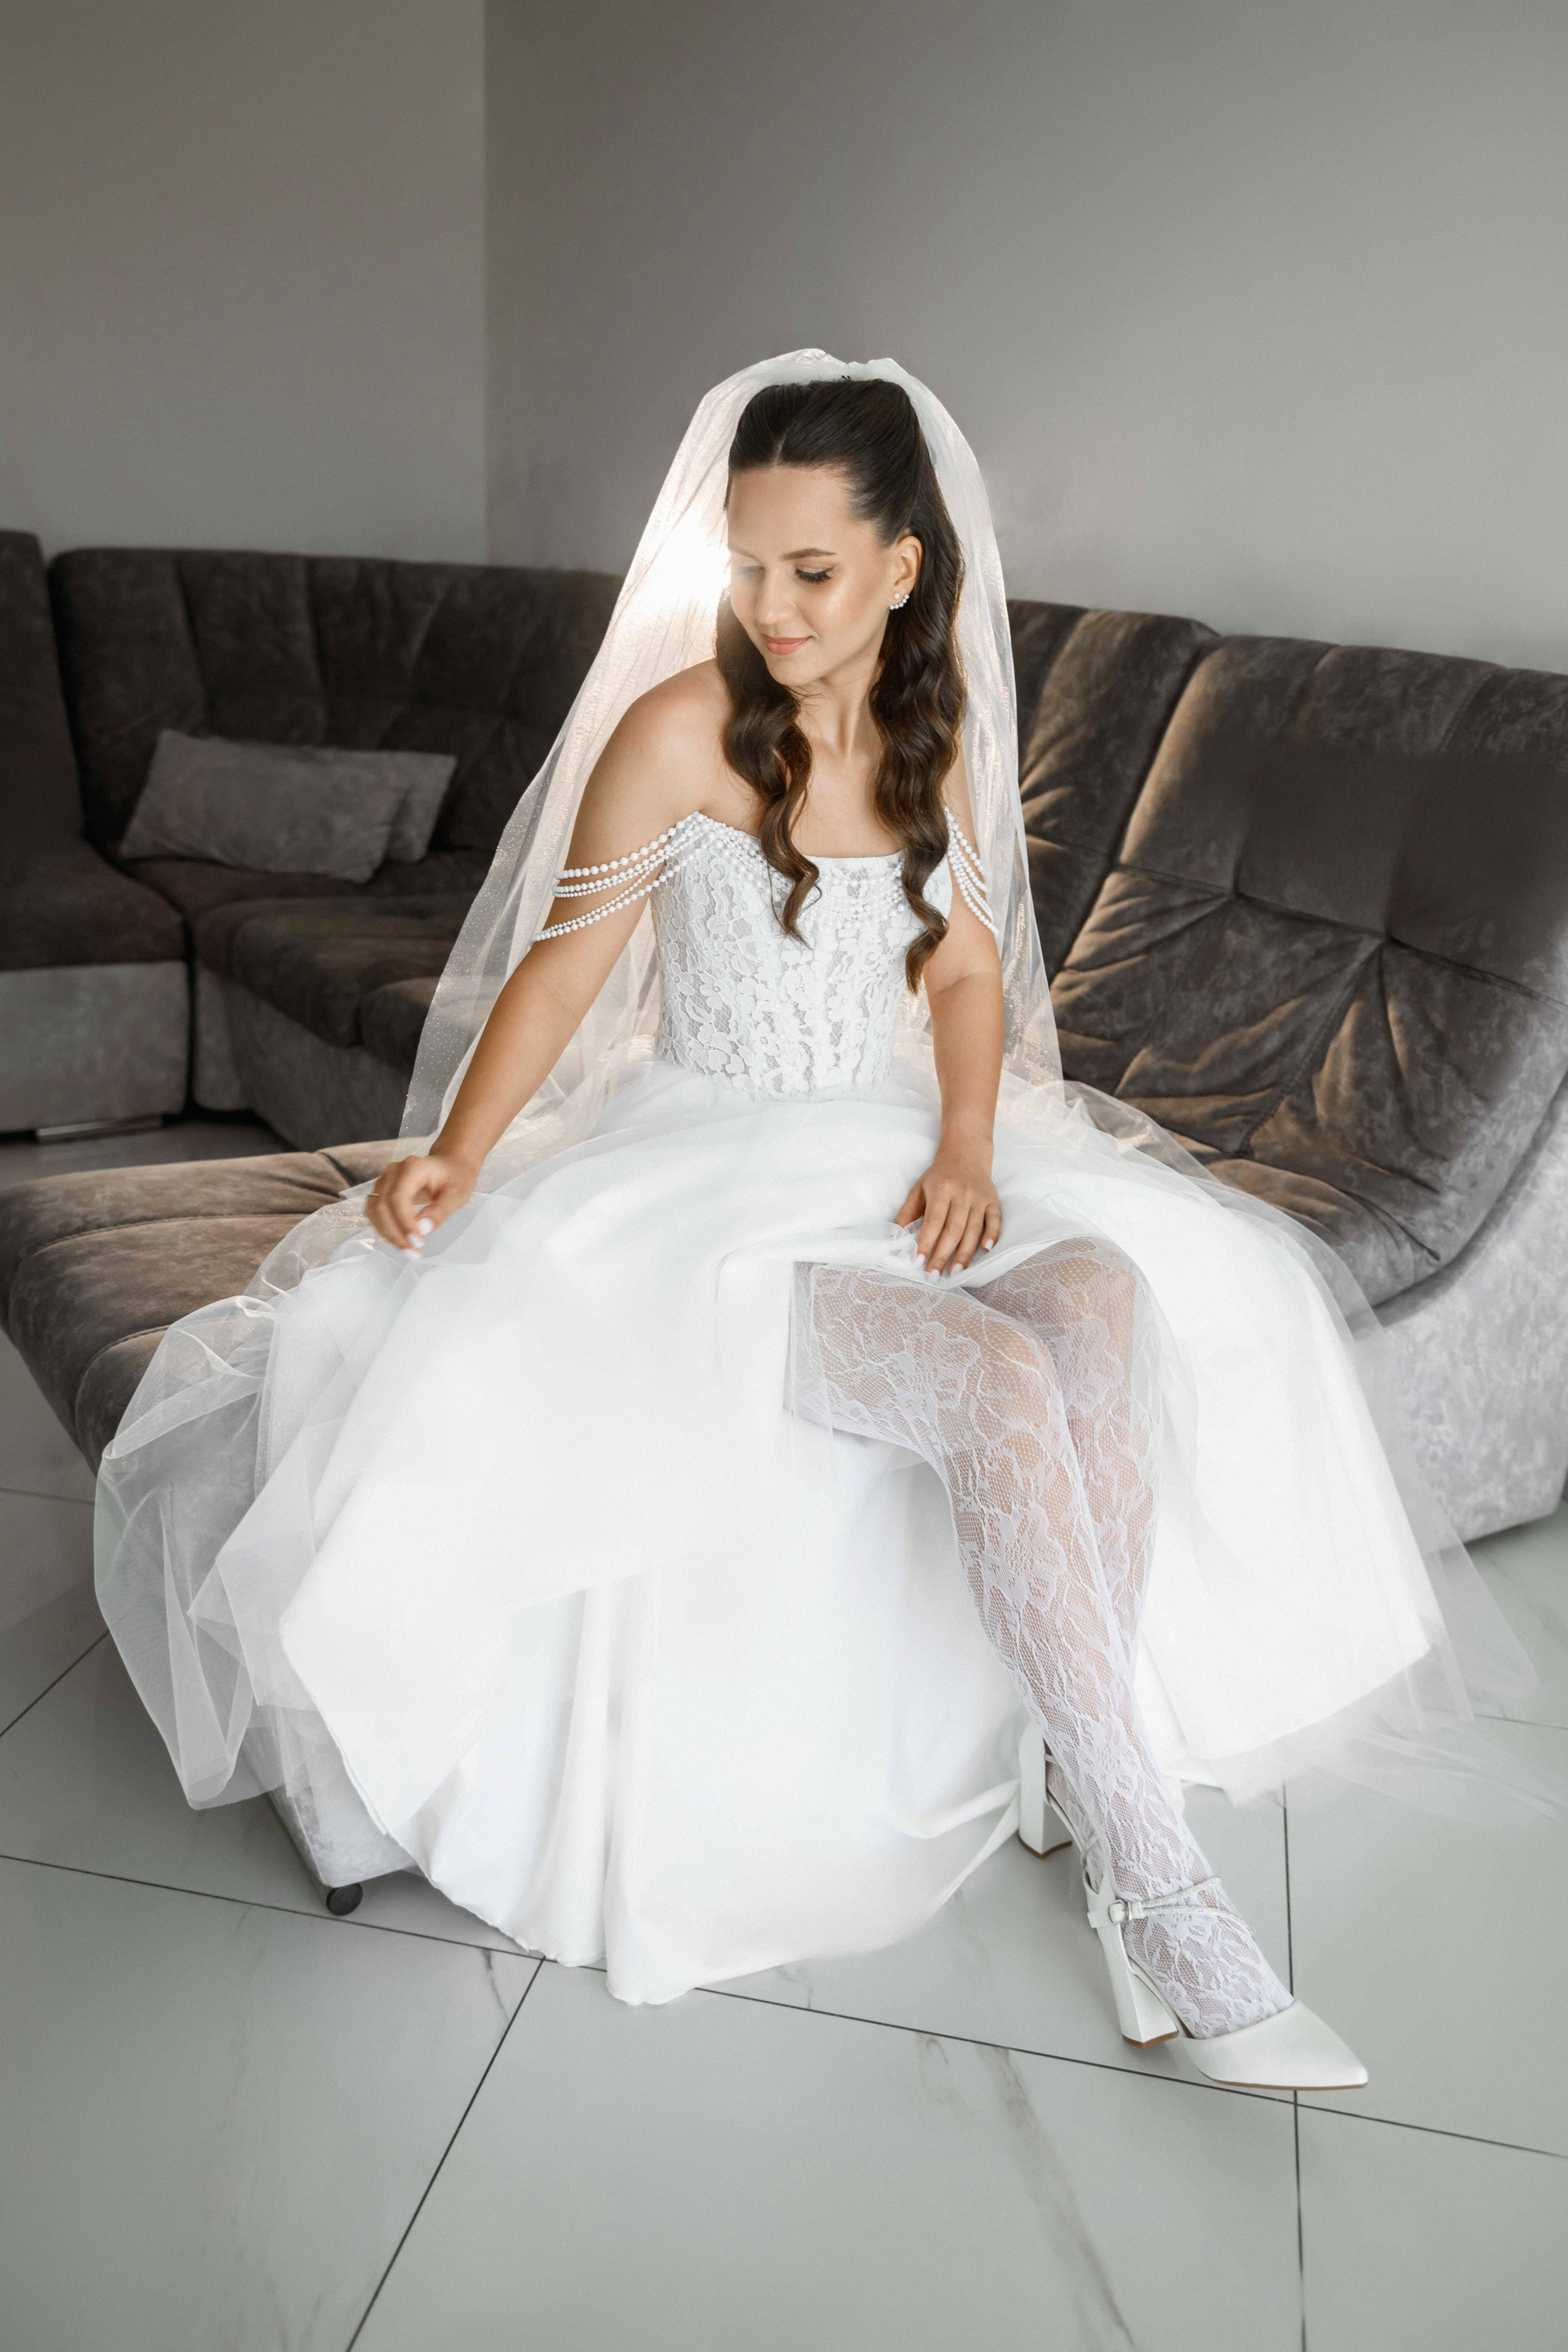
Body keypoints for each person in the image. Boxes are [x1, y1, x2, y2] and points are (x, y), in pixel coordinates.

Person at [96, 352, 1545, 2090]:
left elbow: (965, 973)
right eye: (748, 565)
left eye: (812, 570)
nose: (772, 608)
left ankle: (1076, 1761)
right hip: (703, 1180)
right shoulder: (679, 732)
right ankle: (1159, 1887)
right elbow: (562, 970)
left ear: (902, 568)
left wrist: (968, 1148)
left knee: (1105, 1299)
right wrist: (457, 1155)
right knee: (991, 1382)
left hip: (885, 1139)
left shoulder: (939, 737)